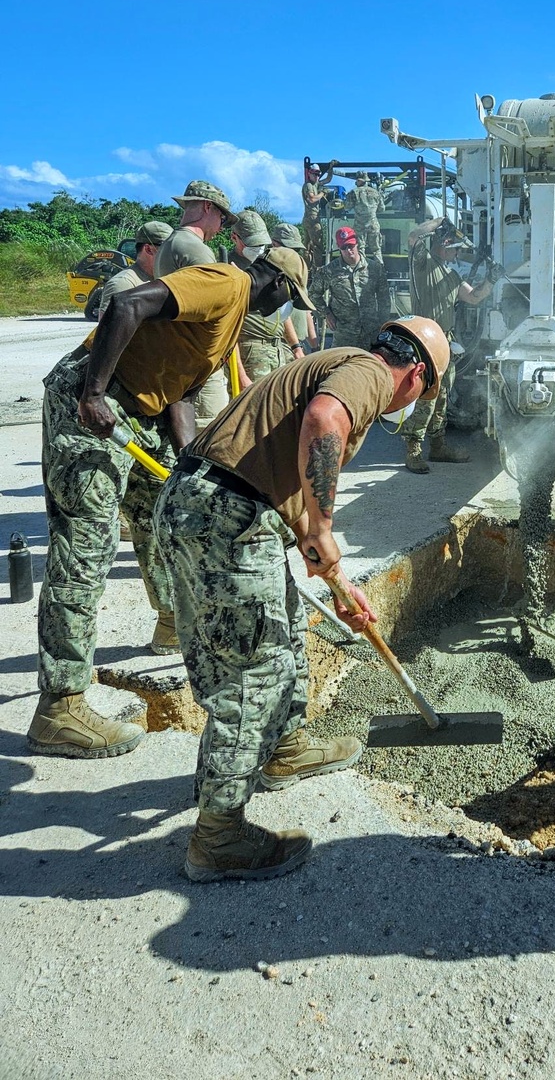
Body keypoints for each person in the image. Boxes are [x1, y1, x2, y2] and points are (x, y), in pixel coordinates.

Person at [152, 316, 451, 882]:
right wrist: (324, 523)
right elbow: (324, 420)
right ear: (416, 374)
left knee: (287, 626)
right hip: (224, 516)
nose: (410, 403)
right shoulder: (369, 372)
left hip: (208, 507)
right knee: (254, 670)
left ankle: (285, 748)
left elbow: (291, 495)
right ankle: (218, 836)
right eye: (424, 393)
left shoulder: (329, 364)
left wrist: (338, 584)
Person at [26, 250, 311, 761]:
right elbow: (126, 305)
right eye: (289, 299)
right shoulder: (226, 283)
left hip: (141, 412)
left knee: (167, 517)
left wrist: (190, 463)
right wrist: (93, 393)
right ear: (277, 285)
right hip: (93, 400)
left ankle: (168, 624)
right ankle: (59, 705)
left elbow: (179, 393)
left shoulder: (229, 325)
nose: (283, 311)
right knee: (86, 547)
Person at [402, 216, 499, 473]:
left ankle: (438, 445)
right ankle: (413, 449)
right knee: (426, 395)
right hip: (423, 338)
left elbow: (474, 297)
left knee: (443, 395)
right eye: (454, 248)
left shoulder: (452, 275)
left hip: (444, 341)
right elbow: (413, 237)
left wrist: (490, 281)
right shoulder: (423, 263)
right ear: (443, 244)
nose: (457, 253)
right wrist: (438, 221)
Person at [155, 181, 237, 428]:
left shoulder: (172, 243)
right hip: (198, 365)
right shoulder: (195, 250)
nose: (221, 228)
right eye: (222, 219)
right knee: (209, 437)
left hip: (181, 360)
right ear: (207, 208)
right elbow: (213, 311)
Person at [231, 211, 304, 382]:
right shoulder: (229, 268)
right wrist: (240, 375)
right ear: (234, 238)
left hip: (278, 347)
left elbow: (281, 310)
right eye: (253, 244)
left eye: (262, 243)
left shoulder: (269, 264)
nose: (259, 248)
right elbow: (227, 328)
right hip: (250, 348)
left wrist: (296, 347)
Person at [312, 226, 390, 351]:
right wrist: (326, 314)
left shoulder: (375, 268)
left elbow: (384, 298)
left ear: (357, 243)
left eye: (351, 246)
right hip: (344, 336)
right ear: (339, 248)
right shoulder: (329, 271)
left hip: (371, 334)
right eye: (344, 247)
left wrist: (384, 324)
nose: (349, 251)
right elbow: (313, 294)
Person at [98, 221, 173, 319]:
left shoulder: (165, 278)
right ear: (149, 249)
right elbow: (109, 331)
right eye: (168, 247)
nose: (173, 253)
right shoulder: (123, 284)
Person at [272, 222, 319, 355]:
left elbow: (306, 311)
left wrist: (314, 347)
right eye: (289, 248)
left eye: (296, 250)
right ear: (274, 244)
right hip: (282, 344)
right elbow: (281, 315)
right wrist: (296, 348)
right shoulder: (269, 273)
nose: (293, 254)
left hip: (300, 344)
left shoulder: (299, 269)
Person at [349, 173, 385, 262]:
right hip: (373, 224)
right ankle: (380, 271)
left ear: (359, 180)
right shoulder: (376, 192)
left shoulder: (354, 192)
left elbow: (347, 206)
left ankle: (362, 271)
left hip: (360, 225)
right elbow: (382, 209)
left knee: (360, 249)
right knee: (376, 249)